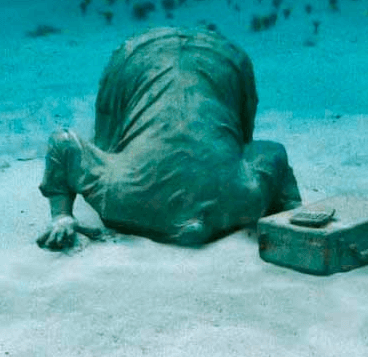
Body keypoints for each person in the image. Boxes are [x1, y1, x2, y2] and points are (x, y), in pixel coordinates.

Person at [37, 26, 301, 250]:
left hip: (132, 200)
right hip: (232, 199)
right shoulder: (245, 192)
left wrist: (61, 214)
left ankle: (62, 217)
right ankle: (295, 213)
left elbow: (62, 143)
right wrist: (291, 207)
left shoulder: (117, 189)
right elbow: (273, 151)